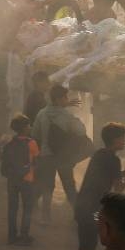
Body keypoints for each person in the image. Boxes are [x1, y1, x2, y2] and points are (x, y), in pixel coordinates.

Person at [75, 123, 125, 250]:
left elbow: (104, 174)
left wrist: (122, 173)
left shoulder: (99, 154)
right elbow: (118, 188)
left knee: (84, 247)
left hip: (82, 205)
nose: (124, 141)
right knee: (88, 249)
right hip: (93, 208)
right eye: (122, 138)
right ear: (115, 140)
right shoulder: (114, 160)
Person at [32, 84, 87, 216]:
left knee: (46, 186)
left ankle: (44, 215)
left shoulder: (42, 113)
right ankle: (78, 215)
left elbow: (35, 135)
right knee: (69, 186)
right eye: (65, 97)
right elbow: (81, 131)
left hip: (46, 155)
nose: (67, 99)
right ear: (58, 99)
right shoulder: (66, 115)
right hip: (63, 157)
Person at [1, 114, 40, 246]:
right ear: (24, 128)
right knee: (27, 208)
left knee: (12, 208)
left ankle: (11, 236)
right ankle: (24, 235)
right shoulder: (31, 143)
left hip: (12, 179)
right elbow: (36, 161)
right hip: (27, 179)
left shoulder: (9, 142)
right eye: (28, 125)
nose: (30, 127)